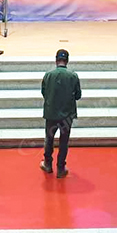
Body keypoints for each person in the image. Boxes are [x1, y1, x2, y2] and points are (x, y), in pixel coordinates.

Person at [40, 48, 81, 179]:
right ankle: (61, 168)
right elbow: (78, 95)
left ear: (56, 60)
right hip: (67, 116)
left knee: (49, 139)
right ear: (67, 61)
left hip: (51, 113)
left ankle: (47, 164)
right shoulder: (73, 76)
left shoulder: (48, 75)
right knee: (64, 141)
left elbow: (44, 92)